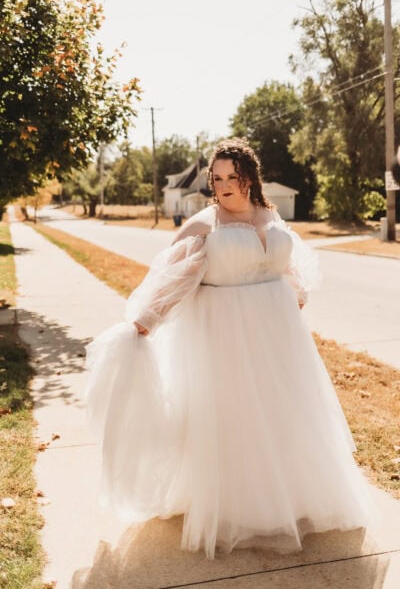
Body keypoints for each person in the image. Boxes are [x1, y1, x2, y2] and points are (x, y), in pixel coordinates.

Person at [85, 138, 373, 560]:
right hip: (226, 335)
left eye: (232, 178)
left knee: (286, 411)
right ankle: (243, 508)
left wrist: (293, 292)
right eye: (216, 178)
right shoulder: (204, 225)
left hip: (279, 333)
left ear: (250, 178)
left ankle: (293, 500)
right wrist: (146, 321)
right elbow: (174, 279)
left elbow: (286, 266)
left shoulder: (270, 213)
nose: (223, 186)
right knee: (236, 418)